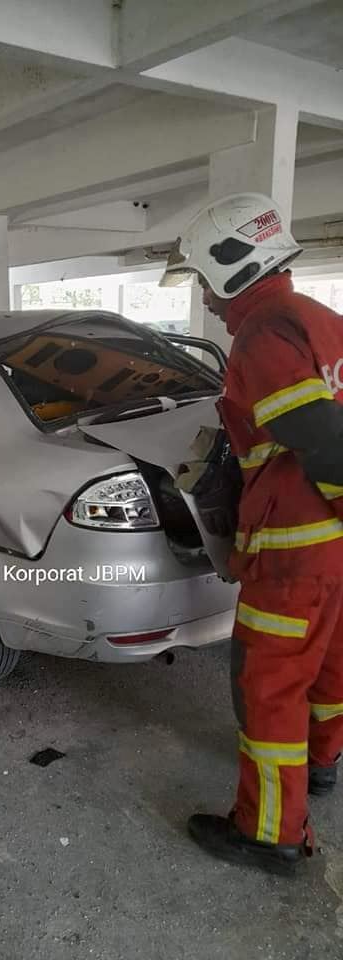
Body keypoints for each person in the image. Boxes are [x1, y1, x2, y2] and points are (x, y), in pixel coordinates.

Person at [161, 193, 343, 875]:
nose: (205, 298)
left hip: (294, 548)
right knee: (326, 664)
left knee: (268, 685)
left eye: (205, 280)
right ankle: (321, 765)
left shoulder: (264, 335)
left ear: (234, 267)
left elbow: (326, 445)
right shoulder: (324, 320)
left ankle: (269, 835)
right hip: (331, 551)